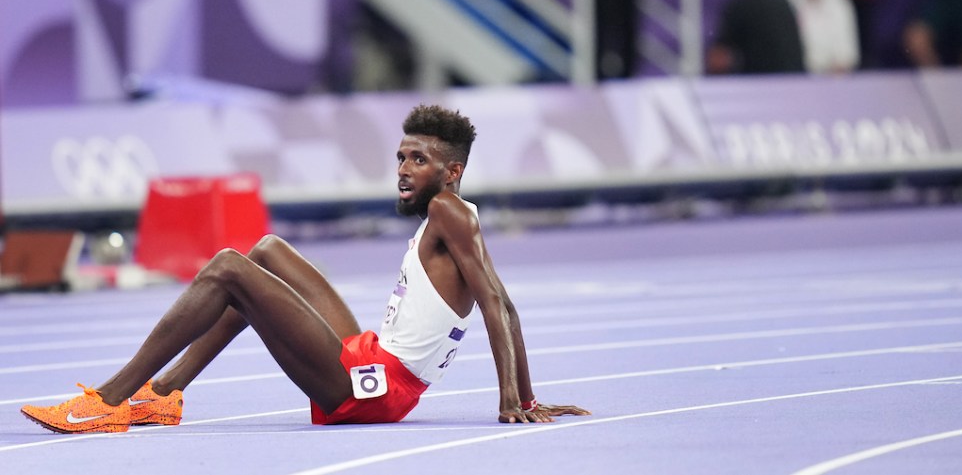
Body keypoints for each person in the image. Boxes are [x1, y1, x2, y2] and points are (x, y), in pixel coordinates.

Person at [21, 104, 589, 434]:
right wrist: (530, 398)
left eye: (420, 160)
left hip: (378, 389)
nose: (404, 169)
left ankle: (109, 401)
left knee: (227, 268)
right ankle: (164, 393)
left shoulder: (448, 211)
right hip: (371, 358)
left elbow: (496, 304)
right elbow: (504, 302)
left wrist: (512, 400)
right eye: (401, 157)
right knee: (266, 251)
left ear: (453, 171)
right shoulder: (453, 214)